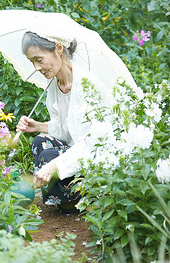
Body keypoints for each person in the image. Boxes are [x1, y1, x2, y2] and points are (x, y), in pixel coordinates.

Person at [16, 31, 111, 213]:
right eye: (32, 62)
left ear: (58, 49)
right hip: (76, 148)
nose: (37, 67)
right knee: (39, 142)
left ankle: (78, 199)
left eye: (39, 59)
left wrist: (54, 166)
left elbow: (92, 143)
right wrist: (37, 126)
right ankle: (63, 197)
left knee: (50, 158)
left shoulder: (87, 85)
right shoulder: (54, 85)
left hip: (97, 155)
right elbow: (64, 130)